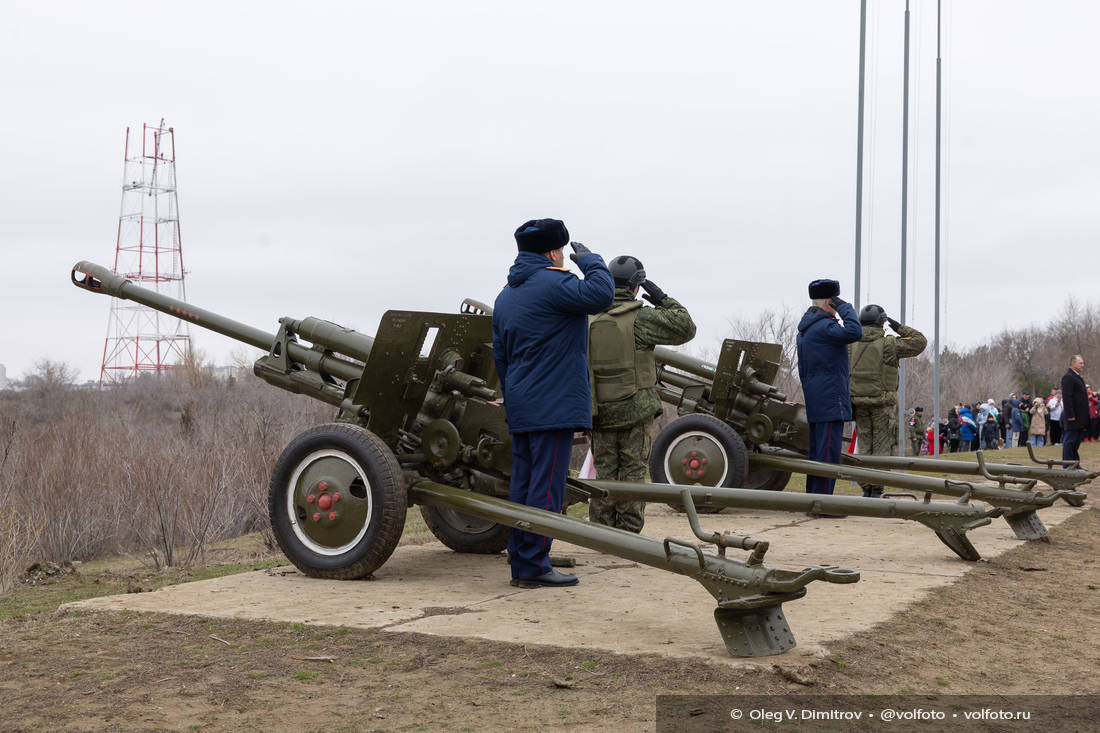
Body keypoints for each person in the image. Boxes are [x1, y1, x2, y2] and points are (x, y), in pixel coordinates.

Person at [492, 218, 614, 588]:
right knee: (547, 488)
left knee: (524, 486)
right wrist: (591, 260)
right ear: (553, 251)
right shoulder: (555, 283)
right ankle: (534, 566)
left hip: (524, 405)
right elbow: (602, 296)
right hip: (552, 405)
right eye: (561, 251)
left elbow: (501, 356)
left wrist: (512, 398)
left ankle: (522, 558)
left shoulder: (506, 295)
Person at [587, 255, 696, 532]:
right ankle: (628, 534)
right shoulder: (640, 318)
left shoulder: (589, 318)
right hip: (635, 410)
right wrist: (662, 297)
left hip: (598, 411)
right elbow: (686, 327)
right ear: (636, 287)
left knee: (604, 474)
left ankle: (600, 532)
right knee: (633, 475)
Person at [848, 304, 927, 496]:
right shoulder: (889, 344)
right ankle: (876, 489)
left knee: (864, 445)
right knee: (882, 447)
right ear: (881, 322)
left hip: (858, 403)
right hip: (882, 403)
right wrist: (899, 327)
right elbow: (920, 342)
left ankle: (866, 488)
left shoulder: (851, 344)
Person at [796, 279, 862, 498]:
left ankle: (813, 500)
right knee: (828, 454)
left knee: (817, 453)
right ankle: (823, 504)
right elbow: (855, 332)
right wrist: (846, 308)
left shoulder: (806, 329)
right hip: (831, 398)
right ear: (829, 302)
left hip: (817, 398)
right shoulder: (825, 327)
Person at [1060, 355, 1088, 464]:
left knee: (1076, 441)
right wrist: (1070, 415)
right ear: (1073, 363)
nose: (1082, 365)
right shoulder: (1068, 377)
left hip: (1080, 417)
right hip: (1073, 416)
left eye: (1083, 363)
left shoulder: (1077, 377)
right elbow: (1067, 397)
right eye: (1080, 363)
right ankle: (1067, 465)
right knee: (1070, 441)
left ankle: (1075, 464)